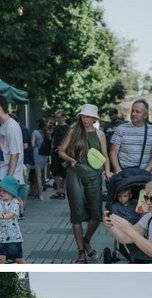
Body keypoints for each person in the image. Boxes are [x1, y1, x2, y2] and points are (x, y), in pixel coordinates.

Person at [56, 104, 112, 264]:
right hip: (75, 175)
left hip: (94, 176)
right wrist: (70, 159)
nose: (85, 119)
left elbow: (105, 156)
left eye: (88, 116)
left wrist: (108, 172)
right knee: (77, 214)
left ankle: (86, 240)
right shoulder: (73, 131)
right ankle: (81, 251)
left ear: (94, 118)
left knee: (96, 215)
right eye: (83, 116)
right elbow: (61, 151)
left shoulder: (100, 134)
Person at [110, 99, 152, 175]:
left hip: (145, 173)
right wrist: (118, 171)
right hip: (124, 173)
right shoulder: (121, 129)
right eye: (132, 111)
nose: (133, 114)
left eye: (137, 112)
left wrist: (146, 172)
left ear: (145, 115)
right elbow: (113, 152)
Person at [0, 176, 26, 264]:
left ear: (12, 192)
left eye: (5, 191)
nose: (1, 193)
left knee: (18, 258)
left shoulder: (15, 203)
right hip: (0, 237)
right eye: (0, 190)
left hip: (13, 237)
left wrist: (2, 216)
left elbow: (11, 214)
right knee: (0, 258)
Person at [50, 110, 69, 199]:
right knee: (56, 173)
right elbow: (52, 138)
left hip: (64, 153)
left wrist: (62, 148)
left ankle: (63, 192)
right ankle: (58, 191)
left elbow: (70, 141)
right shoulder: (56, 127)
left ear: (63, 117)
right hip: (55, 153)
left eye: (58, 117)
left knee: (65, 173)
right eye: (56, 117)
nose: (57, 119)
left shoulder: (68, 128)